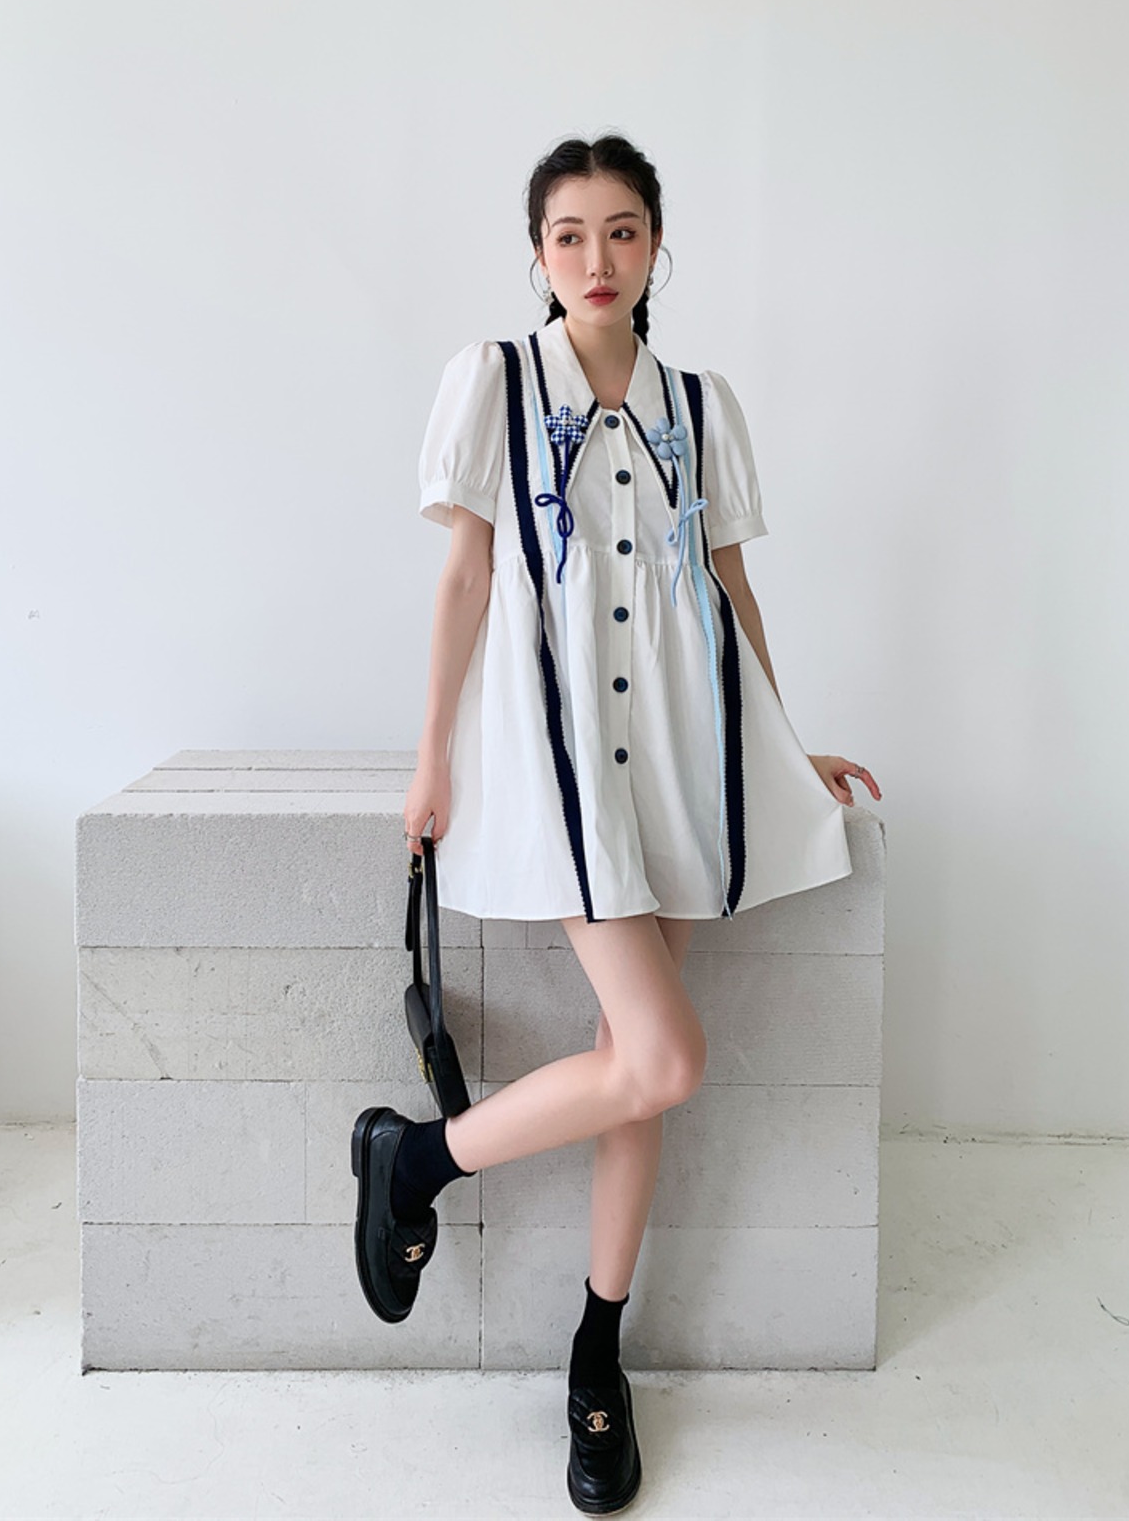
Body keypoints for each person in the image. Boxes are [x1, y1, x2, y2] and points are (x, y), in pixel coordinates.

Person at [351, 132, 881, 1514]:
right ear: (538, 253)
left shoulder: (699, 406)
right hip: (567, 764)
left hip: (684, 764)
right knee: (666, 1055)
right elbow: (466, 581)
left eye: (624, 230)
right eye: (571, 234)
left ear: (656, 245)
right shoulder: (496, 380)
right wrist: (430, 759)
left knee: (633, 1068)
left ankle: (598, 1350)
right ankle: (414, 1160)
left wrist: (782, 746)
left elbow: (730, 587)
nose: (598, 258)